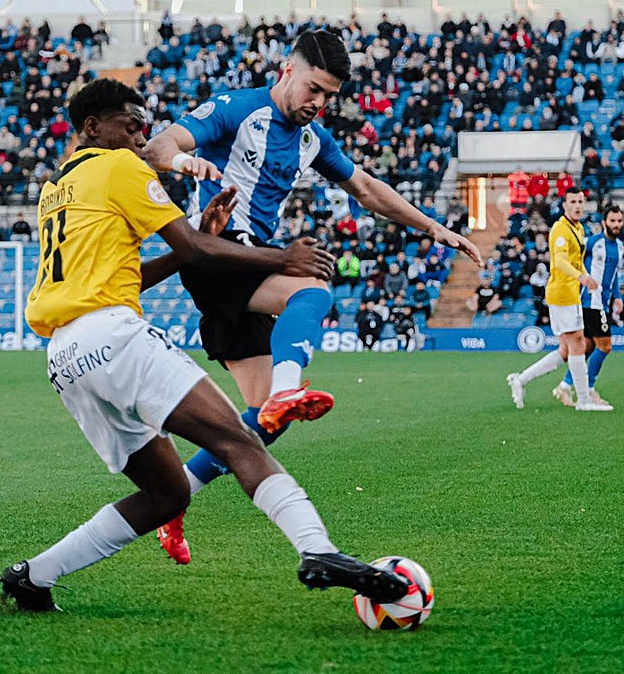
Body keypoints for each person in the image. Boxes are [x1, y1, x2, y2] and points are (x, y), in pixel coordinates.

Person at [0, 78, 409, 612]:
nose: (141, 134)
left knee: (166, 494)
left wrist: (194, 240)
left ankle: (33, 576)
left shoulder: (56, 190)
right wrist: (280, 259)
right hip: (114, 338)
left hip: (65, 357)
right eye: (130, 124)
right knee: (240, 440)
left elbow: (139, 271)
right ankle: (318, 550)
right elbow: (193, 245)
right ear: (92, 128)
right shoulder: (120, 166)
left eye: (144, 125)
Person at [144, 29, 482, 562]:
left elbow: (368, 190)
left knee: (256, 427)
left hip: (247, 264)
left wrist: (434, 228)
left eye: (329, 96)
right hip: (218, 249)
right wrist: (190, 164)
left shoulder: (311, 140)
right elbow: (157, 147)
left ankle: (175, 499)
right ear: (287, 70)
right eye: (314, 89)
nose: (319, 104)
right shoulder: (238, 109)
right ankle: (287, 388)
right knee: (314, 289)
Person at [507, 188, 612, 412]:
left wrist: (586, 275)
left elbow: (575, 260)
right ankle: (583, 400)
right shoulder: (560, 229)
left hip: (570, 293)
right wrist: (582, 277)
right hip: (562, 293)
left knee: (566, 350)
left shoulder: (578, 227)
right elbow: (562, 262)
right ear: (564, 205)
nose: (577, 205)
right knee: (578, 344)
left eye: (580, 201)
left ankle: (521, 380)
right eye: (572, 201)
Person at [552, 204, 624, 408]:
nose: (616, 224)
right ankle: (590, 390)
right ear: (604, 223)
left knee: (587, 346)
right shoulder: (593, 243)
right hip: (590, 301)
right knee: (605, 345)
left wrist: (617, 297)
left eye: (619, 221)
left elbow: (614, 275)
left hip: (603, 302)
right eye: (612, 221)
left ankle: (565, 385)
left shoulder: (619, 246)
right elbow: (573, 259)